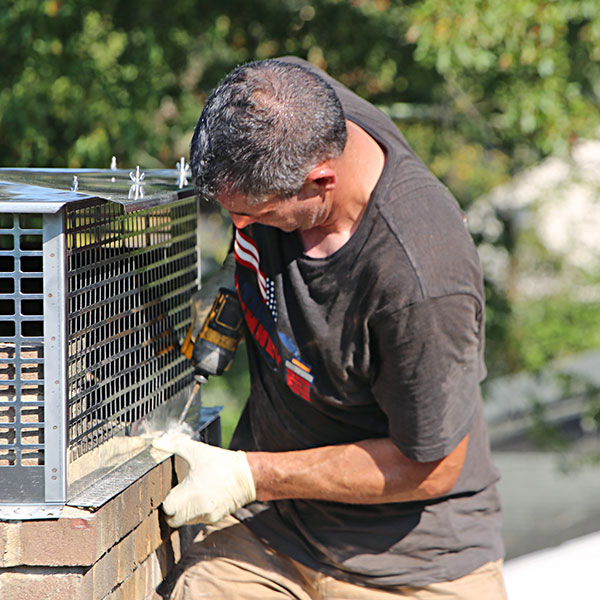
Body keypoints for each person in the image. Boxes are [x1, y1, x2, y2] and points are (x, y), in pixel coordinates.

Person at [152, 57, 507, 600]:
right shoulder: (285, 101)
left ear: (321, 182)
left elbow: (433, 468)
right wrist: (235, 270)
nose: (240, 228)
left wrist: (248, 477)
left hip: (411, 566)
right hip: (274, 535)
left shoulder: (422, 279)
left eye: (255, 216)